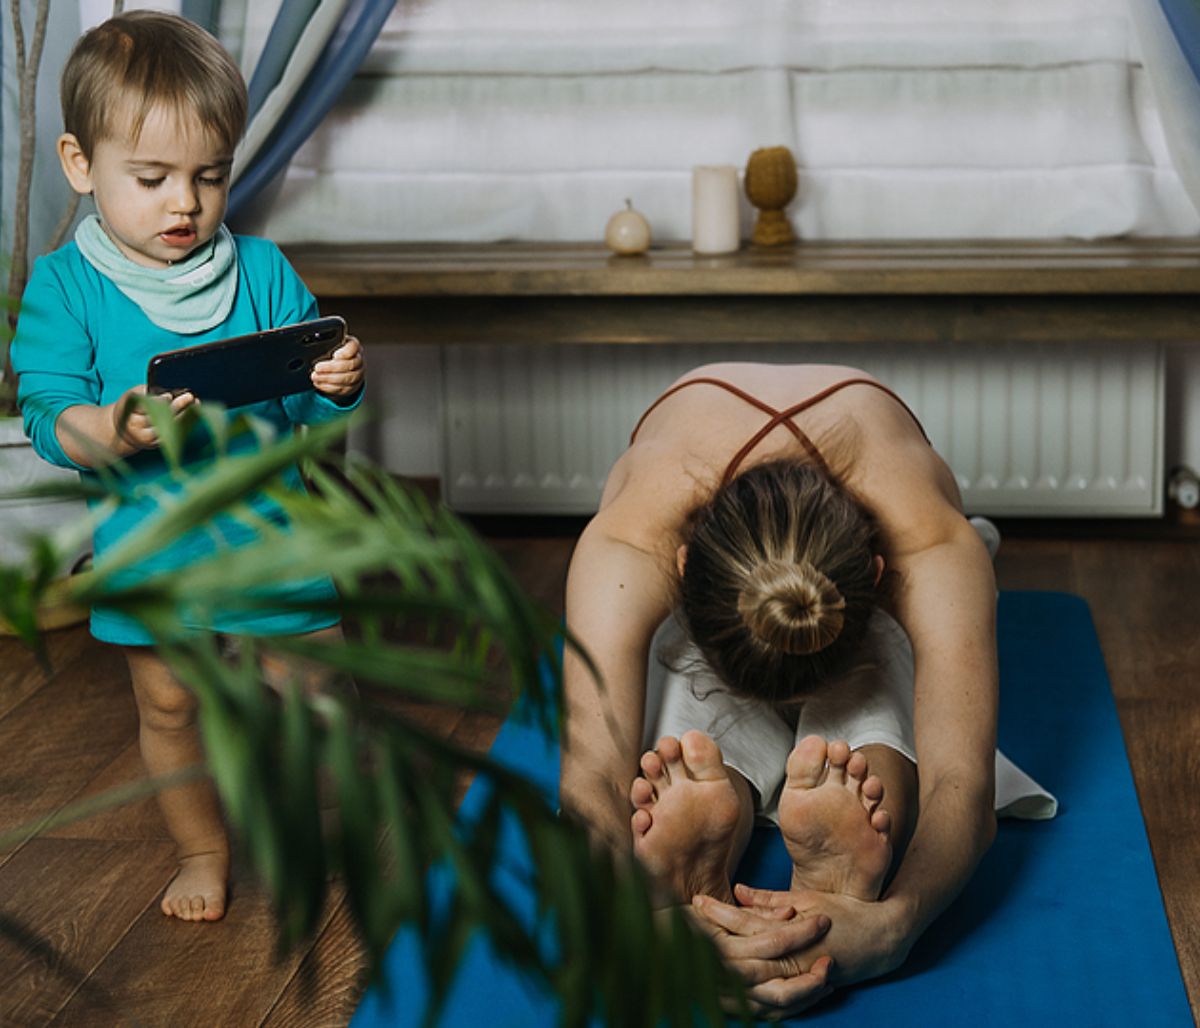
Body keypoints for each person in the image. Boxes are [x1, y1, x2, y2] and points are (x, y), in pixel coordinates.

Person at [10, 11, 365, 923]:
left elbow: (305, 401)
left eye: (210, 176)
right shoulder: (65, 285)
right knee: (169, 708)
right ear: (80, 165)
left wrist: (335, 382)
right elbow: (48, 418)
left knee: (315, 692)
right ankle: (203, 850)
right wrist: (113, 428)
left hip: (271, 535)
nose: (185, 204)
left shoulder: (263, 268)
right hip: (154, 551)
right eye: (154, 178)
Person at [559, 362, 999, 1014]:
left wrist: (895, 925)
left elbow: (961, 782)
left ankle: (787, 859)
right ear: (682, 569)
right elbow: (593, 769)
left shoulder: (933, 546)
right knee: (855, 696)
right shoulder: (630, 541)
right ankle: (748, 838)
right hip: (755, 588)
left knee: (703, 709)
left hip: (872, 589)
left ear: (876, 574)